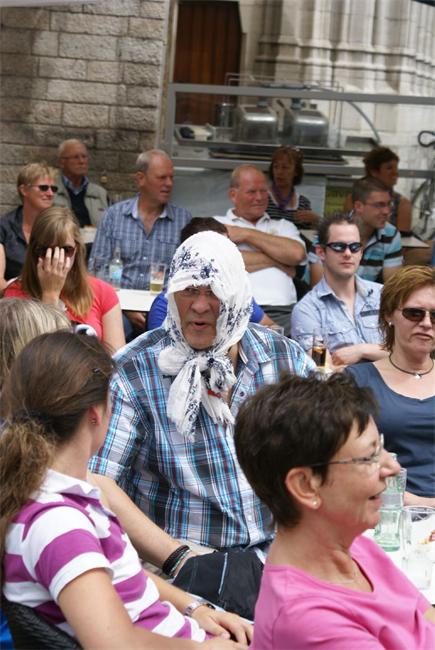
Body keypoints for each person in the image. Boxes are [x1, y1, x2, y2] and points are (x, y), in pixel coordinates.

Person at [0, 332, 250, 649]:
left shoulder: (47, 492)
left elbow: (122, 574)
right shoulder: (60, 525)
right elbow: (115, 643)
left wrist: (195, 608)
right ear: (95, 414)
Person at [90, 231, 315, 553]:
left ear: (238, 295)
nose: (199, 305)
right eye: (189, 290)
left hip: (284, 549)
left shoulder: (284, 358)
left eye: (214, 291)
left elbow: (329, 451)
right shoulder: (133, 371)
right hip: (186, 555)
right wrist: (178, 560)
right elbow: (99, 481)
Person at [234, 372, 435, 649]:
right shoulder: (309, 620)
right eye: (370, 456)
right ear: (306, 485)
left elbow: (425, 617)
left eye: (381, 447)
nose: (393, 467)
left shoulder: (357, 547)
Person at [347, 266, 435, 502]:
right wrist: (420, 503)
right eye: (414, 313)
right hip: (387, 509)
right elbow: (348, 461)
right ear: (388, 314)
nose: (427, 323)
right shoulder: (356, 381)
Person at [90, 149, 192, 335]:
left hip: (165, 310)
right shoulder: (114, 216)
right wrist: (124, 308)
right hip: (118, 308)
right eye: (162, 178)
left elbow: (187, 273)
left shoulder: (183, 220)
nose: (169, 184)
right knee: (114, 329)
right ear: (140, 178)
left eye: (171, 178)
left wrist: (156, 309)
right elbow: (97, 268)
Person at [3, 206, 125, 352]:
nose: (57, 259)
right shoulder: (15, 294)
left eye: (66, 250)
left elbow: (118, 358)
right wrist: (50, 295)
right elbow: (32, 356)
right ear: (34, 251)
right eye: (46, 250)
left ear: (77, 249)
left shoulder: (103, 292)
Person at [216, 164, 307, 336]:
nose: (259, 197)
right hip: (233, 312)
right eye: (251, 192)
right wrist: (278, 260)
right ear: (233, 195)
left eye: (263, 191)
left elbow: (296, 254)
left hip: (284, 313)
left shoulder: (284, 226)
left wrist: (246, 234)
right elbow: (221, 262)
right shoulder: (217, 224)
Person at [291, 213, 387, 367]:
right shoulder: (306, 310)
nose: (348, 253)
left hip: (392, 382)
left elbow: (408, 353)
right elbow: (323, 369)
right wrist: (383, 354)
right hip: (346, 384)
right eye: (339, 247)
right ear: (321, 252)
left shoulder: (384, 295)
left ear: (361, 252)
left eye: (355, 247)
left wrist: (362, 350)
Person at [147, 217, 275, 329]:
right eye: (217, 249)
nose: (227, 255)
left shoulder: (237, 295)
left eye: (228, 247)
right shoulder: (165, 304)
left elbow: (271, 327)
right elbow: (158, 348)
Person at [310, 177, 403, 286]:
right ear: (358, 206)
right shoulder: (330, 230)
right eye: (379, 205)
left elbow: (392, 286)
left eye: (389, 204)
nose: (386, 211)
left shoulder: (391, 234)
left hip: (366, 294)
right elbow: (319, 286)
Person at [0, 162, 57, 291]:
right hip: (12, 298)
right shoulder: (3, 227)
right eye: (43, 188)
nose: (50, 193)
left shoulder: (57, 227)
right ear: (24, 190)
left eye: (53, 189)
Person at [344, 146, 412, 234]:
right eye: (389, 168)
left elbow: (403, 239)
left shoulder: (402, 204)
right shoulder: (352, 200)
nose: (395, 172)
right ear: (374, 172)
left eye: (396, 168)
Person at [54, 138, 109, 228]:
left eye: (84, 157)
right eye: (76, 157)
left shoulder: (100, 194)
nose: (82, 161)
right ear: (62, 162)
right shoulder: (49, 191)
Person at [267, 146, 319, 229]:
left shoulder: (303, 203)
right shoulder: (262, 198)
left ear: (296, 171)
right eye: (276, 167)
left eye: (285, 167)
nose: (279, 172)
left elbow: (310, 233)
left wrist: (316, 220)